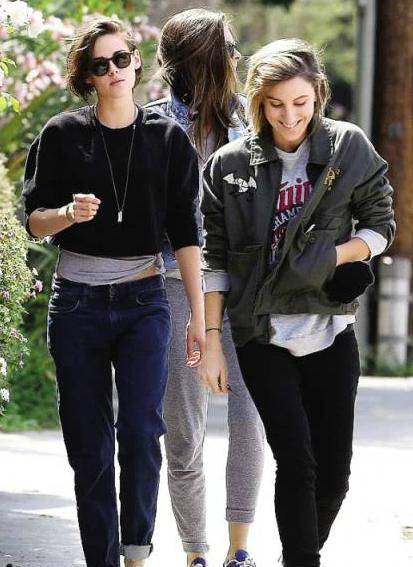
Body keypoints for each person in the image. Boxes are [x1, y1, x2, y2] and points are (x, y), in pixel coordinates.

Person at [200, 38, 395, 567]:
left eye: (301, 103)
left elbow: (382, 226)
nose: (289, 116)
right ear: (258, 103)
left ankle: (299, 555)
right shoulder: (229, 165)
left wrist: (334, 256)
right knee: (296, 461)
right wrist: (212, 341)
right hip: (260, 331)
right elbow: (215, 258)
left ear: (318, 95)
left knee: (334, 473)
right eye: (276, 104)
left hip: (330, 327)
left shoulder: (348, 147)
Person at [22, 17, 204, 567]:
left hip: (144, 299)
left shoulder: (168, 139)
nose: (114, 71)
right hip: (77, 302)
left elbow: (187, 233)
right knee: (89, 443)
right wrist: (66, 214)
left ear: (136, 61)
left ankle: (136, 552)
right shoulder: (61, 134)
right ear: (88, 77)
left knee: (142, 430)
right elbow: (33, 221)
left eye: (121, 58)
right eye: (101, 65)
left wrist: (199, 318)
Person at [146, 9, 265, 567]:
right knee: (183, 428)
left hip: (245, 290)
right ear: (205, 59)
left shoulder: (252, 123)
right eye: (230, 48)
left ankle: (239, 551)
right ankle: (195, 552)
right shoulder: (150, 126)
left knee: (250, 421)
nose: (238, 58)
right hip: (175, 286)